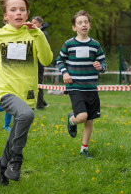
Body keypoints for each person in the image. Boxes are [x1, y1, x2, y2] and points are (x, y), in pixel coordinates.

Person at [0, 0, 53, 185]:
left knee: (15, 132)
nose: (18, 13)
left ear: (28, 13)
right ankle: (16, 160)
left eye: (22, 9)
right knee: (26, 116)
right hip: (4, 89)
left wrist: (37, 34)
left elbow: (46, 60)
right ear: (6, 15)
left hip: (27, 91)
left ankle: (1, 165)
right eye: (13, 10)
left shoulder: (34, 34)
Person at [55, 10, 107, 159]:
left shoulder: (95, 45)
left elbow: (103, 63)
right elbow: (59, 60)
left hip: (91, 87)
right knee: (82, 116)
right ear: (74, 27)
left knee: (89, 120)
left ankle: (84, 149)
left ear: (89, 25)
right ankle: (72, 119)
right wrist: (65, 72)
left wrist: (100, 67)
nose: (83, 25)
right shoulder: (69, 44)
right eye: (80, 23)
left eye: (85, 22)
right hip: (75, 86)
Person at [32, 16, 49, 109]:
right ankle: (40, 102)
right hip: (30, 62)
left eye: (35, 22)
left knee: (38, 83)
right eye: (32, 22)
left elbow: (43, 49)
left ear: (40, 24)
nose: (33, 24)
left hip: (39, 63)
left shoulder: (43, 34)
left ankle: (40, 103)